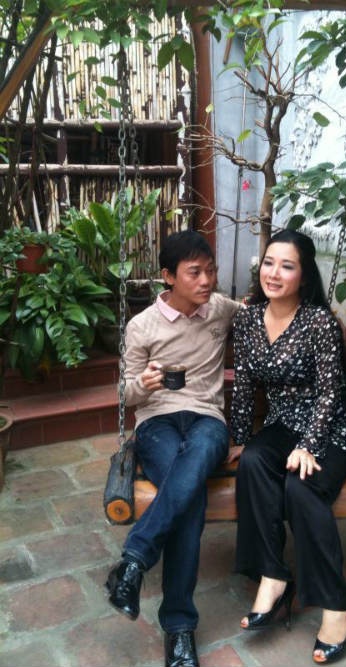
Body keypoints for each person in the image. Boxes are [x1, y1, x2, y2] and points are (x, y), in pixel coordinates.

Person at [227, 229, 346, 665]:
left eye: (286, 266)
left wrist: (309, 445)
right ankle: (272, 576)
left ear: (303, 276)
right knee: (253, 462)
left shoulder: (319, 322)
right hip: (283, 420)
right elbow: (244, 383)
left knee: (301, 488)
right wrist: (239, 437)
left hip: (332, 423)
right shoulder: (248, 319)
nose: (273, 273)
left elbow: (330, 392)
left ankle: (338, 603)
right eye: (268, 263)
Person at [105, 230, 241, 667]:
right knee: (190, 500)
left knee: (195, 465)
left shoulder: (220, 309)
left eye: (211, 271)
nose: (207, 281)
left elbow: (264, 315)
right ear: (168, 276)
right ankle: (179, 629)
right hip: (157, 421)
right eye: (194, 273)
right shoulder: (142, 326)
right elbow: (126, 395)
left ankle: (133, 562)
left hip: (207, 419)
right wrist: (142, 385)